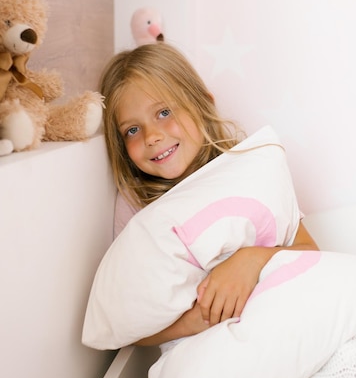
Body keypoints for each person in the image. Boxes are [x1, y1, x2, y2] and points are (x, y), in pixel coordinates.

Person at [100, 42, 318, 347]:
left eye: (164, 112)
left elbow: (310, 251)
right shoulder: (138, 206)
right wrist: (193, 321)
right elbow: (128, 321)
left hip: (287, 326)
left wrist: (249, 261)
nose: (152, 136)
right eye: (132, 130)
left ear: (202, 102)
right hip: (208, 352)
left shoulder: (248, 169)